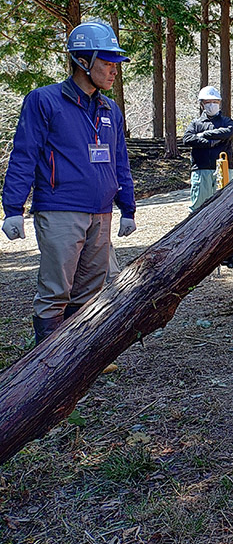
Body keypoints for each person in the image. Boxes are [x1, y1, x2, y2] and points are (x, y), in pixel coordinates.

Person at [2, 22, 136, 347]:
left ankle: (77, 357)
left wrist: (128, 208)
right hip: (60, 210)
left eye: (115, 63)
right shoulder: (44, 101)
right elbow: (24, 155)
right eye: (106, 62)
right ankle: (46, 361)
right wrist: (12, 209)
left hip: (101, 214)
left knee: (92, 289)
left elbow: (119, 161)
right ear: (82, 61)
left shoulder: (110, 109)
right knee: (56, 290)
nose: (113, 70)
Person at [181, 86, 233, 214]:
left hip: (225, 169)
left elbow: (229, 131)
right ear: (202, 104)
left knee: (226, 206)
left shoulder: (227, 121)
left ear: (220, 103)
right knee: (198, 208)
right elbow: (187, 138)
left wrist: (204, 134)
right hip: (201, 169)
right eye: (208, 102)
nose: (212, 105)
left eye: (215, 102)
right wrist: (210, 143)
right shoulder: (195, 124)